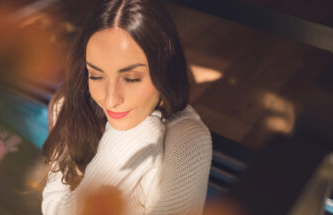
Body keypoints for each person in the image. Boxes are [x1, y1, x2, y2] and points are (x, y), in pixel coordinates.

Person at [41, 0, 212, 214]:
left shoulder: (188, 140)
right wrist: (130, 134)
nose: (110, 99)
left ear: (164, 72)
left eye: (131, 78)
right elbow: (52, 206)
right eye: (96, 75)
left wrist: (135, 134)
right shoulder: (69, 105)